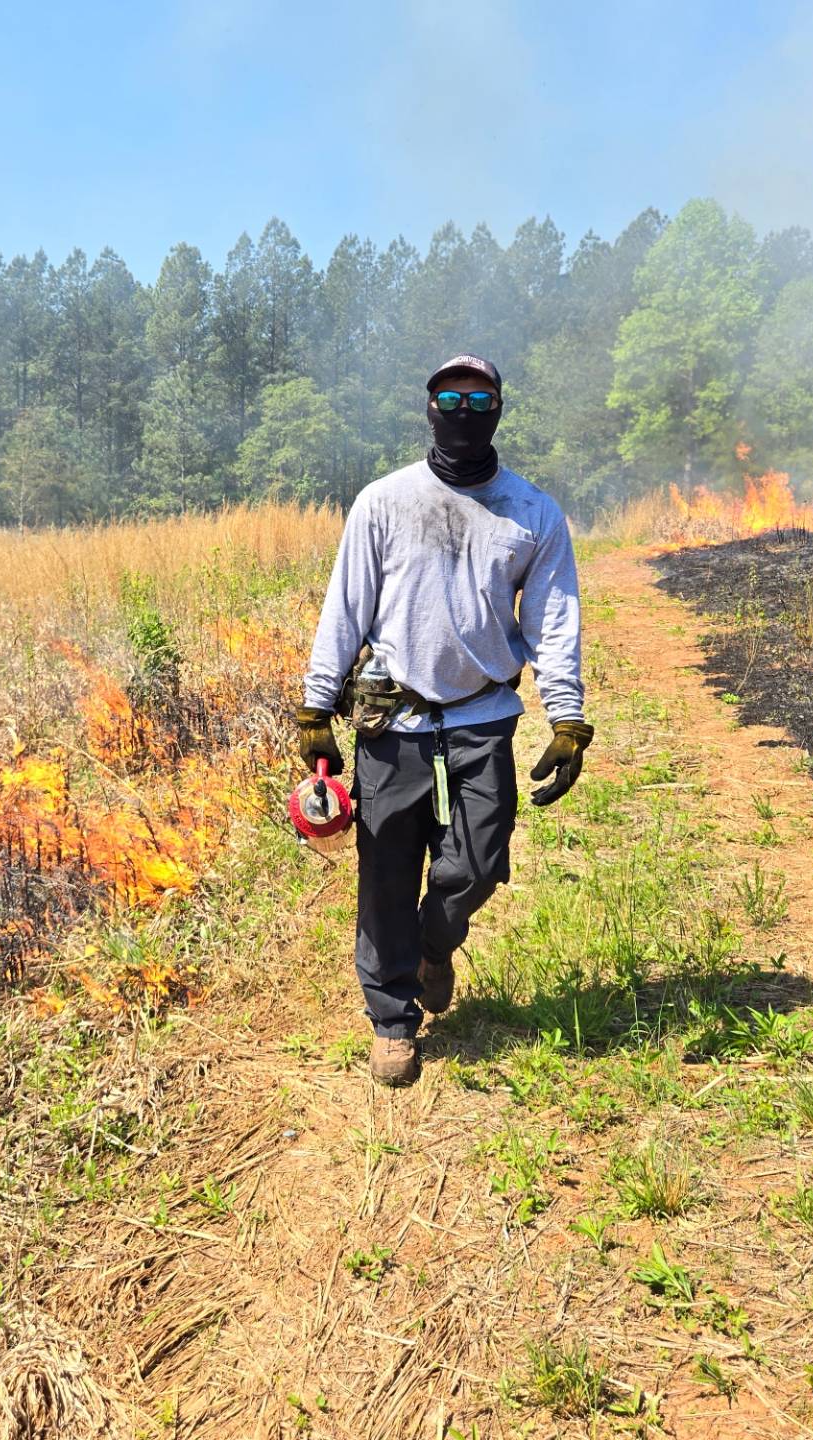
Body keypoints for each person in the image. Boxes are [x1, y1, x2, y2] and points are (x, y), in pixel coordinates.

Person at [296, 353, 593, 1087]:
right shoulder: (384, 502)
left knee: (481, 861)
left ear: (498, 409)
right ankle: (393, 1020)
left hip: (482, 715)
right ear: (429, 407)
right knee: (387, 871)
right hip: (391, 721)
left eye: (479, 397)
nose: (463, 409)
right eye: (449, 396)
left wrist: (568, 717)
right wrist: (314, 704)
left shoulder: (532, 513)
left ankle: (435, 943)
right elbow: (346, 605)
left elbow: (555, 623)